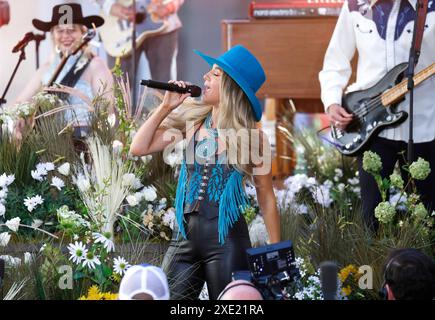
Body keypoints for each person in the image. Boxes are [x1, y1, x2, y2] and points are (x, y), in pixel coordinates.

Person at [130, 44, 281, 300]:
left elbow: (265, 195)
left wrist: (276, 251)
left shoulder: (254, 138)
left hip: (227, 243)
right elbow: (138, 147)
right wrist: (166, 107)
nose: (205, 78)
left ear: (232, 88)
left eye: (215, 74)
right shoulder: (193, 122)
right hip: (183, 239)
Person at [319, 0, 435, 228]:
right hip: (368, 127)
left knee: (426, 218)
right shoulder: (354, 5)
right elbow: (335, 60)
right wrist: (332, 102)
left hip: (423, 127)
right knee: (371, 219)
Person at [14, 3, 114, 138]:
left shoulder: (95, 65)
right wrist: (19, 116)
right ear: (53, 35)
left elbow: (107, 110)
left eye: (72, 30)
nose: (65, 35)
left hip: (83, 140)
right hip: (49, 142)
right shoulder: (46, 68)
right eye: (60, 31)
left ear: (83, 33)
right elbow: (21, 102)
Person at [96, 0, 184, 85]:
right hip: (119, 25)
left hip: (163, 26)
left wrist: (169, 7)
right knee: (120, 88)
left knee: (164, 85)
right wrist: (110, 5)